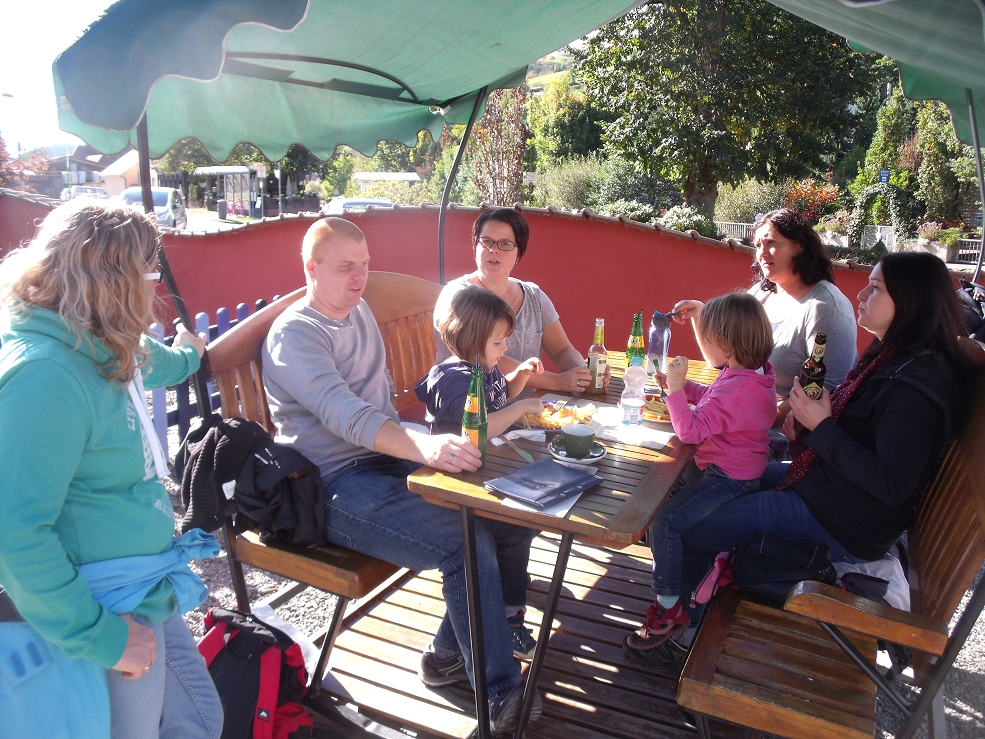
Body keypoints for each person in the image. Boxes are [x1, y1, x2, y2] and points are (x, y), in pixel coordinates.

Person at [261, 217, 541, 733]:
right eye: (346, 267)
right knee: (464, 542)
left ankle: (446, 657)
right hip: (331, 484)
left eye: (364, 265)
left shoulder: (357, 311)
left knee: (508, 516)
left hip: (384, 455)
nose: (360, 277)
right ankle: (499, 692)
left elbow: (379, 403)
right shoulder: (295, 335)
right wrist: (425, 444)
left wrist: (420, 442)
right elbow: (347, 415)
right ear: (311, 269)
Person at [0, 199, 221, 739]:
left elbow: (155, 360)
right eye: (151, 276)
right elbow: (14, 530)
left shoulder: (97, 339)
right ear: (118, 281)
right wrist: (103, 638)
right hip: (105, 608)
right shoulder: (46, 374)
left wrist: (191, 353)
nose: (155, 291)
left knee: (200, 718)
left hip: (142, 585)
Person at [673, 252, 974, 631]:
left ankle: (682, 628)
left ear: (910, 301)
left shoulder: (913, 388)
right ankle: (695, 600)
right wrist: (810, 425)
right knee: (715, 480)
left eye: (875, 288)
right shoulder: (894, 357)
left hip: (840, 518)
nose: (861, 294)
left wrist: (823, 426)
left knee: (685, 528)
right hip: (825, 487)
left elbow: (892, 483)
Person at [624, 293, 777, 659]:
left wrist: (677, 391)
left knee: (665, 522)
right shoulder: (750, 376)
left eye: (708, 337)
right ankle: (680, 588)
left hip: (729, 479)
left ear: (727, 345)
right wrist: (681, 387)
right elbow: (714, 397)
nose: (703, 343)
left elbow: (690, 432)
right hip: (735, 469)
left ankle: (669, 609)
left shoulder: (738, 388)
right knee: (665, 489)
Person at [415, 285, 546, 658]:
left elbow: (500, 396)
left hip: (483, 472)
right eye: (498, 343)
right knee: (515, 527)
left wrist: (520, 375)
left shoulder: (482, 367)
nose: (505, 349)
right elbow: (477, 428)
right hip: (455, 482)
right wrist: (521, 409)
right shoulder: (456, 380)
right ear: (472, 341)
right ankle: (509, 618)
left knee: (529, 519)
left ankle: (506, 584)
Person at [673, 208, 857, 426]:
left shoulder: (826, 307)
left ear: (799, 245)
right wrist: (699, 315)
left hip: (781, 434)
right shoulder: (760, 294)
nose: (762, 253)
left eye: (771, 243)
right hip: (743, 420)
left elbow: (828, 390)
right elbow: (721, 359)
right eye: (758, 245)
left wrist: (757, 418)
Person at [434, 207, 601, 393]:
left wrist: (585, 374)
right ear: (475, 246)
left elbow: (562, 350)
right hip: (469, 405)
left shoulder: (534, 296)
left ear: (519, 253)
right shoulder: (459, 296)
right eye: (486, 241)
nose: (493, 250)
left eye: (505, 244)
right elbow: (484, 358)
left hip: (529, 406)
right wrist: (558, 382)